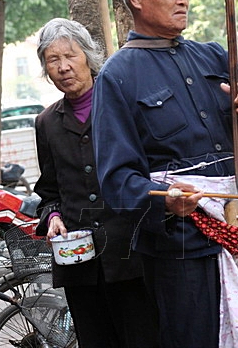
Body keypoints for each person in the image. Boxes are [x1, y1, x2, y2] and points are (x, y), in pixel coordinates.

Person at [91, 0, 238, 348]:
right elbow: (117, 180)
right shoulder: (117, 76)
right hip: (181, 245)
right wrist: (164, 201)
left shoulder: (214, 56)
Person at [34, 18, 159, 348]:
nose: (63, 67)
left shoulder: (123, 103)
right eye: (53, 60)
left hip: (131, 254)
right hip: (80, 265)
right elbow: (49, 192)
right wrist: (54, 217)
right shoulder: (47, 123)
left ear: (88, 57)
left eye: (70, 56)